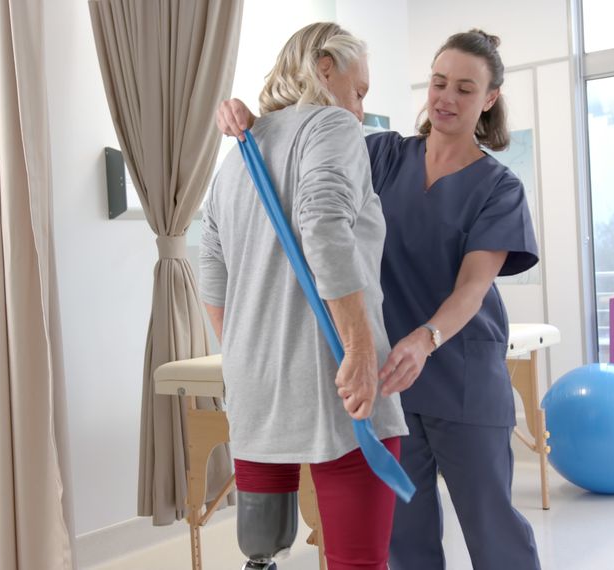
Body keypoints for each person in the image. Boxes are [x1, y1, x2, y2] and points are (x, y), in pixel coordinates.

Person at [216, 29, 542, 570]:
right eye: (439, 83)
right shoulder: (381, 153)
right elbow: (299, 164)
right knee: (404, 540)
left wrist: (426, 338)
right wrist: (250, 123)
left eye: (465, 89)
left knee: (494, 530)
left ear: (489, 100)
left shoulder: (499, 186)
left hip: (459, 372)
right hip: (384, 378)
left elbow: (473, 288)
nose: (446, 98)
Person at [199, 22, 408, 570]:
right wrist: (361, 349)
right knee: (356, 560)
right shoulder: (331, 125)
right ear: (323, 68)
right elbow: (320, 223)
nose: (360, 110)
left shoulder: (236, 155)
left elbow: (210, 269)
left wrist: (247, 351)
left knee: (261, 551)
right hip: (334, 378)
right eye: (359, 91)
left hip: (255, 387)